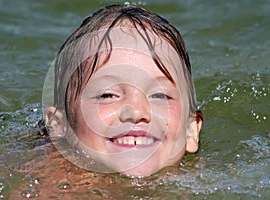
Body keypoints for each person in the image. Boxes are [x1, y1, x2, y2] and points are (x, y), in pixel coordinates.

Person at [44, 4, 202, 178]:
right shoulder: (47, 183)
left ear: (190, 131)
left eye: (160, 95)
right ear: (60, 126)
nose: (136, 111)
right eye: (108, 95)